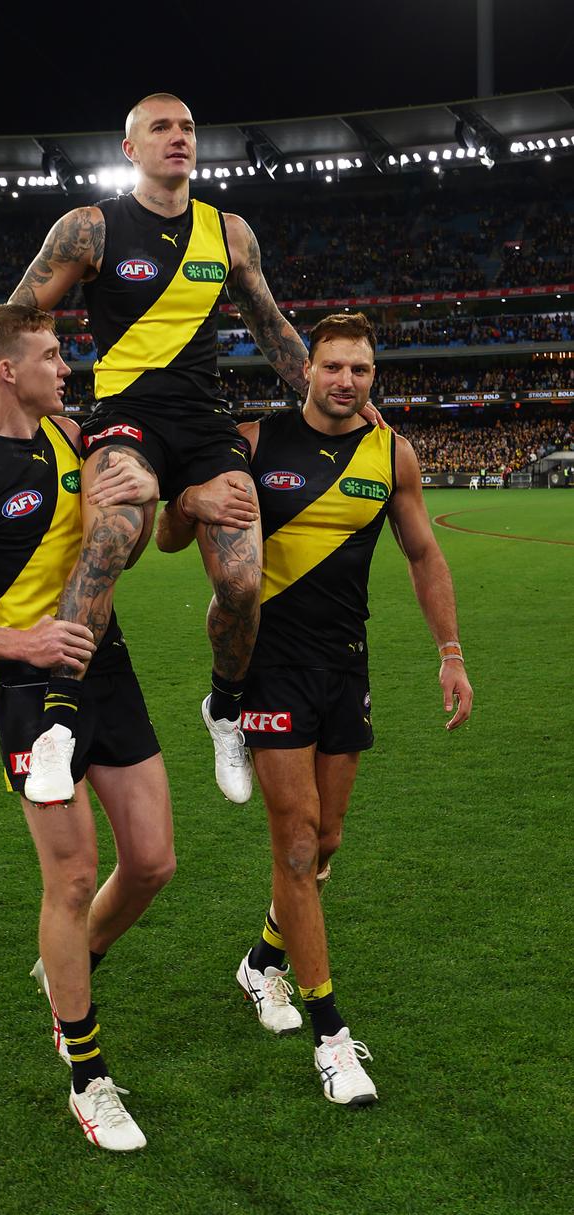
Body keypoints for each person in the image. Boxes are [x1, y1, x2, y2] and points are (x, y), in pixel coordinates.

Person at [8, 92, 382, 808]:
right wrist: (39, 412)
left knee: (244, 583)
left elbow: (272, 328)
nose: (178, 138)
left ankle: (224, 708)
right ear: (130, 148)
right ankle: (57, 722)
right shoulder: (90, 228)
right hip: (125, 416)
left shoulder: (229, 233)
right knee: (114, 532)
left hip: (207, 425)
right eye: (161, 128)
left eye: (187, 127)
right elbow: (16, 318)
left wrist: (352, 404)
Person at [156, 312, 473, 1108]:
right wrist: (189, 497)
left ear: (373, 376)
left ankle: (263, 962)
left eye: (360, 370)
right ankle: (332, 1038)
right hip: (271, 669)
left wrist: (451, 654)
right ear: (306, 369)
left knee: (325, 843)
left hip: (345, 667)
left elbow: (424, 553)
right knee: (295, 845)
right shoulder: (254, 443)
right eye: (332, 366)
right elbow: (170, 534)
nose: (346, 381)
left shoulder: (390, 453)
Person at [0, 304, 176, 1153]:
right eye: (52, 354)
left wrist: (147, 501)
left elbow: (122, 545)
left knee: (154, 861)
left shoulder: (74, 437)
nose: (67, 363)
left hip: (107, 666)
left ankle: (65, 970)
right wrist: (22, 639)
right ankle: (86, 1072)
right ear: (7, 369)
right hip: (28, 682)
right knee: (72, 873)